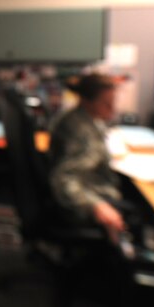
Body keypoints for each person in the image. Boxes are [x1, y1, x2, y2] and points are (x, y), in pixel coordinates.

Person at [48, 73, 128, 243]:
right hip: (85, 199)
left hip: (94, 188)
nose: (112, 109)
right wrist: (96, 206)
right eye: (106, 103)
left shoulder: (86, 119)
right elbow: (64, 179)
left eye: (113, 102)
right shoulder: (80, 132)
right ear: (87, 101)